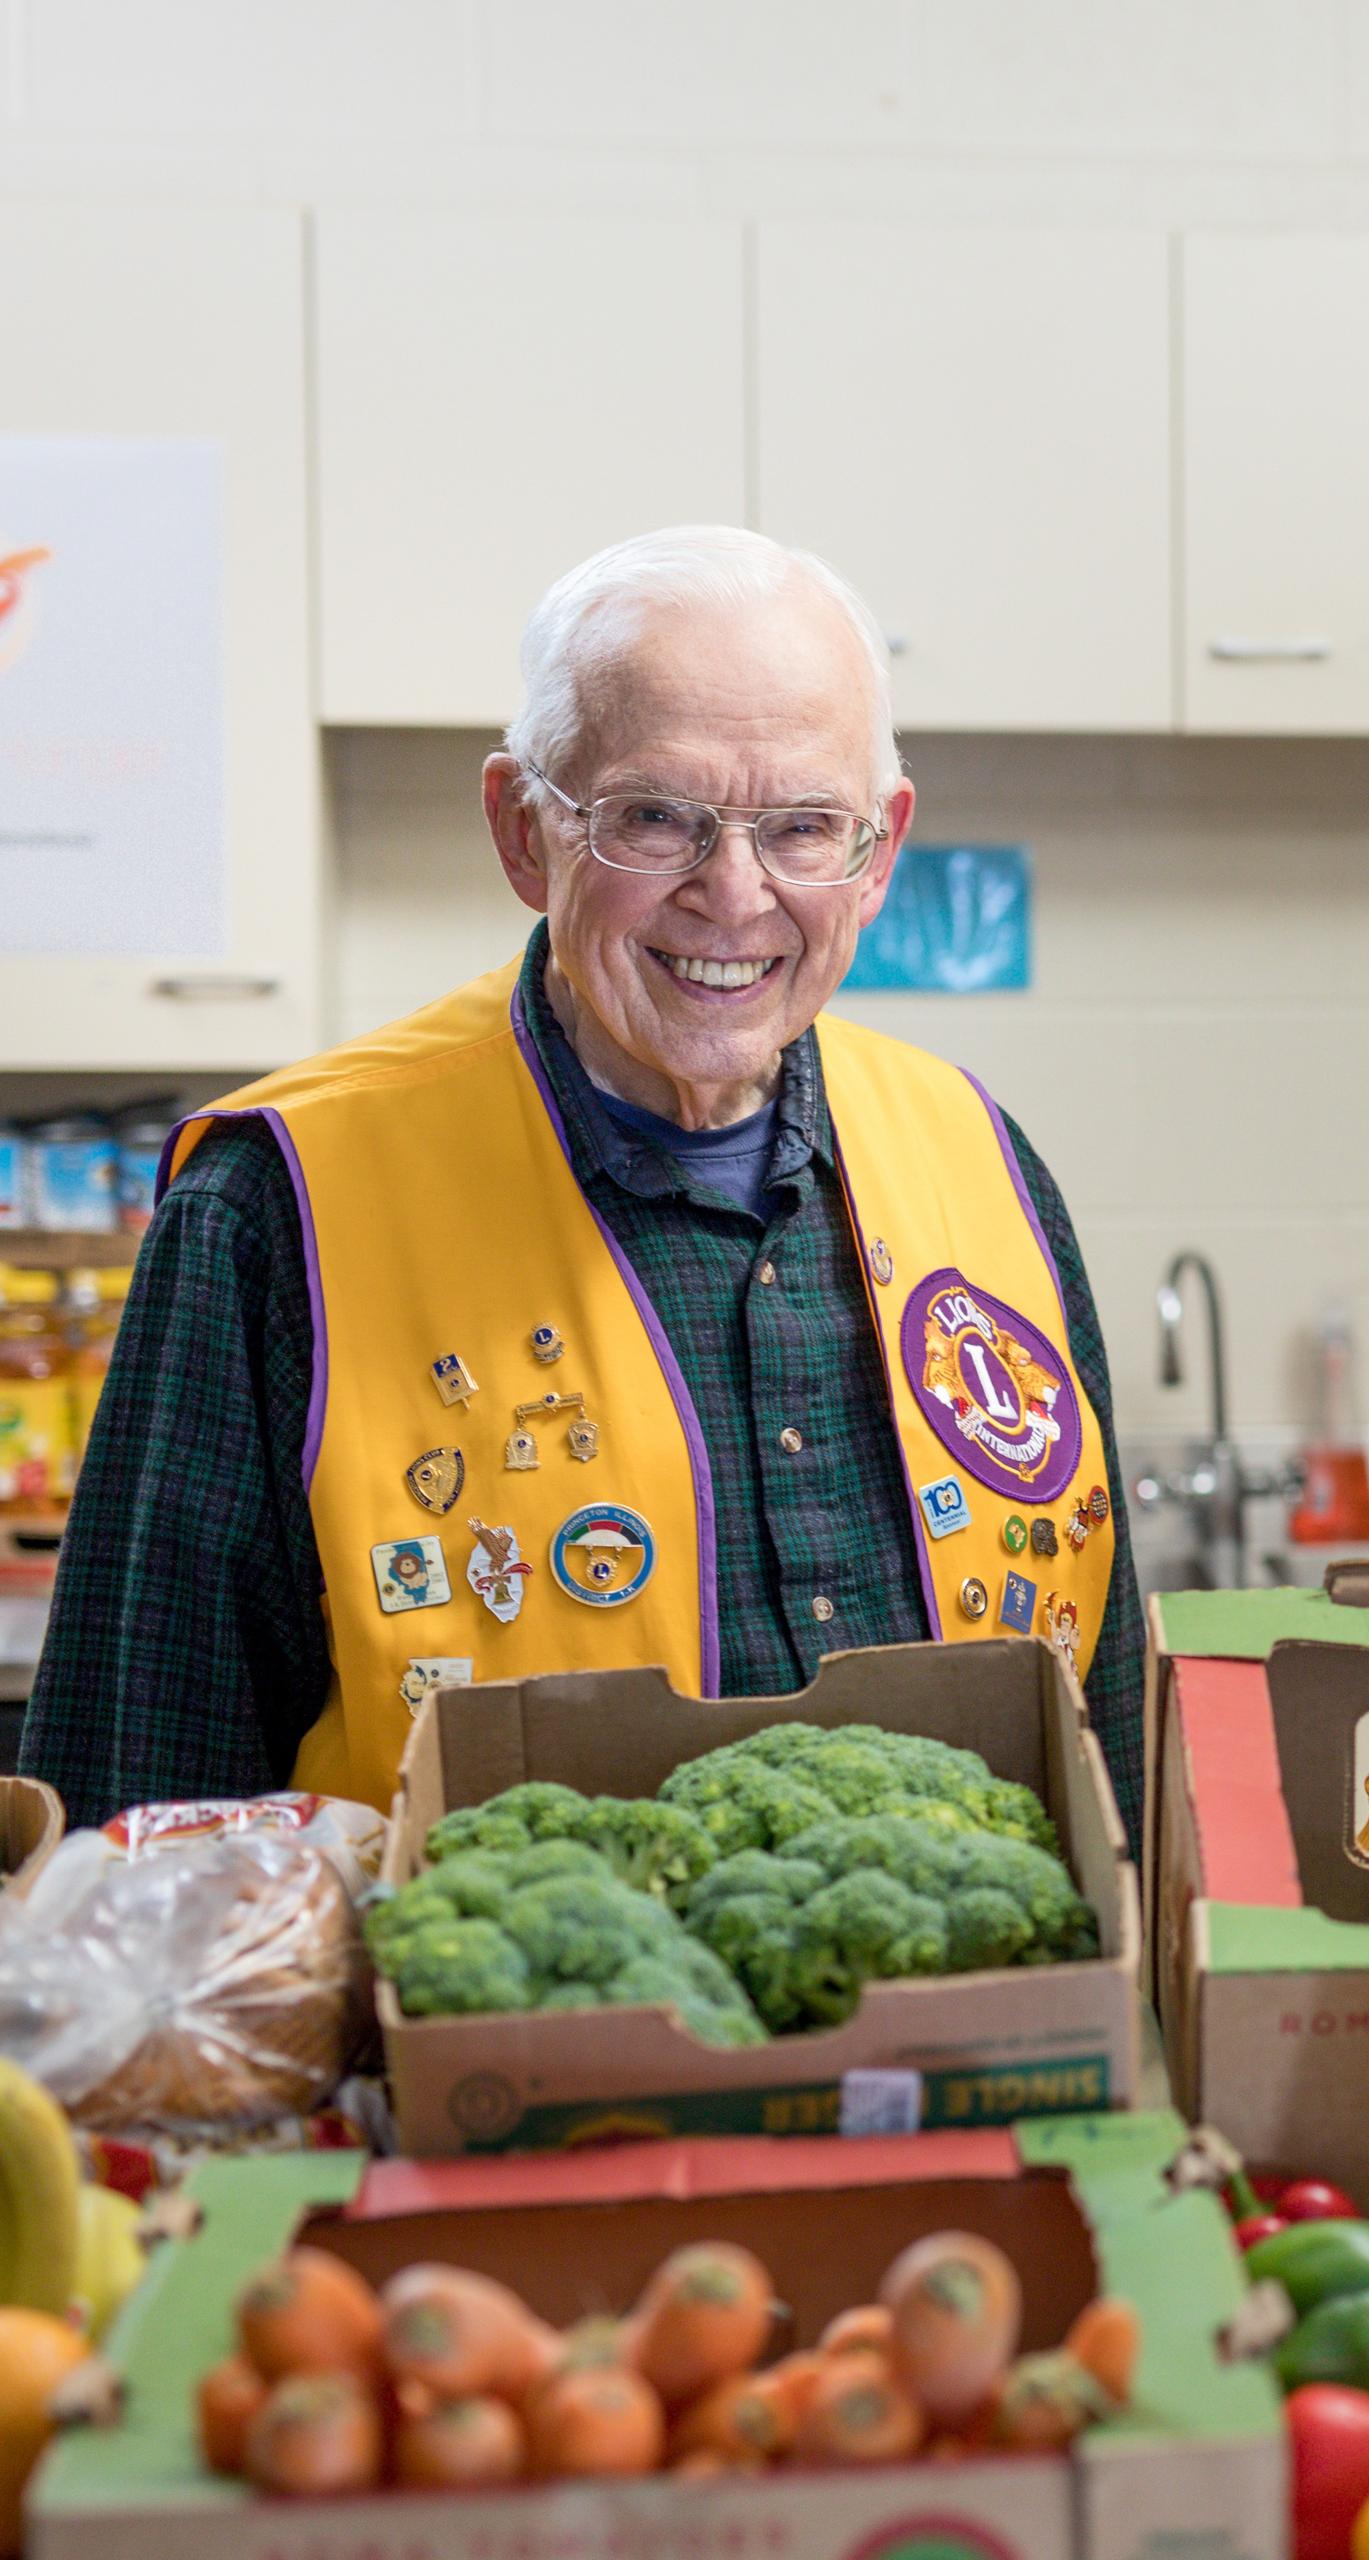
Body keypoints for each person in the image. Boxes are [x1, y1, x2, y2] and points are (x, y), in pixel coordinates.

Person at [18, 527, 1145, 1821]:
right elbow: (135, 1825)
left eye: (801, 827)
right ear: (519, 830)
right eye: (656, 818)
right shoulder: (279, 1207)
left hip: (994, 2024)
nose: (733, 895)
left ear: (878, 851)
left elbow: (1104, 1745)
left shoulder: (984, 1164)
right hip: (448, 2022)